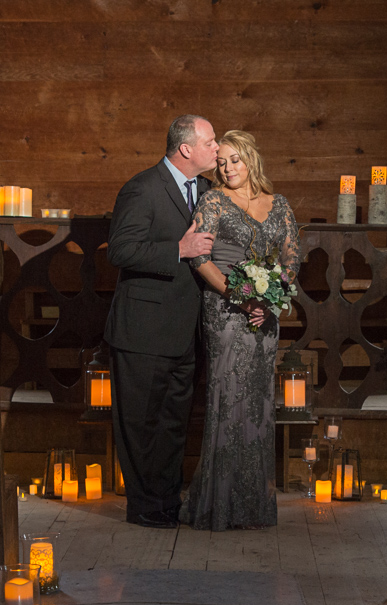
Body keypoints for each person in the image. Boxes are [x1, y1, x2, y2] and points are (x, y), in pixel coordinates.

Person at [103, 115, 219, 529]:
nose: (217, 149)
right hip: (143, 332)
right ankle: (145, 508)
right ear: (186, 148)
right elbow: (121, 250)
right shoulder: (142, 187)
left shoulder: (206, 191)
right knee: (140, 424)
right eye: (210, 142)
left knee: (174, 423)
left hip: (185, 333)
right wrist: (179, 249)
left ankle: (168, 502)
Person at [181, 130, 300, 530]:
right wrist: (242, 297)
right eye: (222, 162)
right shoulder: (213, 200)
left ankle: (253, 504)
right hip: (226, 311)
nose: (228, 168)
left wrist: (270, 299)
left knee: (258, 403)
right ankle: (220, 505)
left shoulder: (279, 204)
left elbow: (290, 259)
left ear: (251, 159)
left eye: (235, 160)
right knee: (228, 399)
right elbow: (199, 258)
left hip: (266, 316)